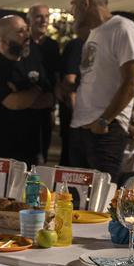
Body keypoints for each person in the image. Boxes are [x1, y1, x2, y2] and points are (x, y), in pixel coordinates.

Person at [69, 0, 134, 181]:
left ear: (86, 1)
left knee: (102, 199)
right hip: (83, 127)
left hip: (105, 130)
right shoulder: (94, 32)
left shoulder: (122, 28)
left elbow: (133, 82)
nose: (71, 10)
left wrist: (104, 120)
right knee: (77, 199)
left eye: (74, 4)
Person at [0, 16, 54, 166]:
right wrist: (36, 89)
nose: (27, 35)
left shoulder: (34, 61)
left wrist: (25, 95)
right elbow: (15, 103)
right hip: (2, 151)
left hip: (33, 149)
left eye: (27, 30)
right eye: (20, 32)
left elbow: (50, 99)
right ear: (3, 39)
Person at [25, 4, 61, 163]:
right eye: (39, 16)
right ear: (30, 19)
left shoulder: (52, 46)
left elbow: (56, 77)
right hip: (23, 108)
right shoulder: (22, 44)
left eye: (46, 16)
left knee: (41, 156)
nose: (44, 20)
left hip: (45, 108)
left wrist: (53, 106)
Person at [57, 33, 87, 166]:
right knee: (72, 165)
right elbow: (70, 81)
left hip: (79, 117)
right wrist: (77, 117)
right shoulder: (79, 45)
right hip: (76, 118)